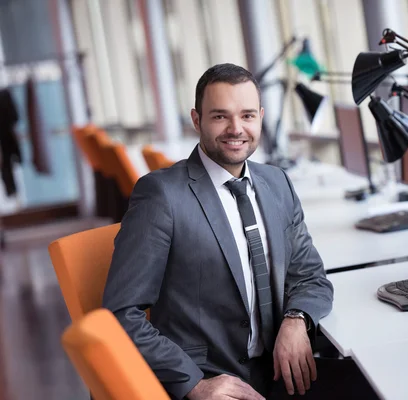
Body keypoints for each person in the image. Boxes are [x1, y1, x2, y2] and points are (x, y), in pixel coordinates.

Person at [102, 63, 334, 400]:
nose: (236, 128)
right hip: (212, 384)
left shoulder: (277, 183)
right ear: (197, 120)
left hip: (280, 373)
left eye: (247, 116)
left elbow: (310, 275)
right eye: (220, 116)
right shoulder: (161, 196)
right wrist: (194, 384)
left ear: (261, 117)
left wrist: (296, 319)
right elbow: (121, 313)